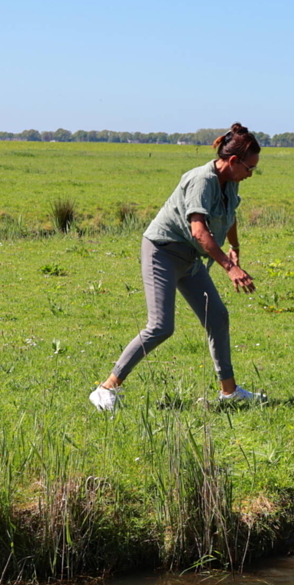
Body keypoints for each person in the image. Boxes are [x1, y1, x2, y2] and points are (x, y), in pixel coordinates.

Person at [89, 123, 261, 410]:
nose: (250, 173)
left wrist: (235, 249)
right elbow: (198, 231)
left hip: (191, 259)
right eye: (249, 167)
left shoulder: (229, 182)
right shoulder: (202, 180)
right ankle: (106, 388)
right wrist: (229, 268)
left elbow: (229, 217)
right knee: (161, 326)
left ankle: (229, 392)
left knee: (217, 316)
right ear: (233, 161)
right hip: (163, 252)